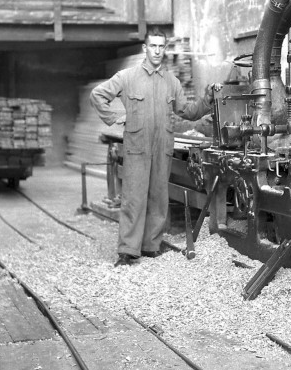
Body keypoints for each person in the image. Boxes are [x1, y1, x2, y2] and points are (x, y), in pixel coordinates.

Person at [90, 28, 220, 266]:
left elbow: (188, 112)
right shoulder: (127, 77)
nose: (157, 51)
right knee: (133, 197)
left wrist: (207, 99)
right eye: (153, 46)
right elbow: (97, 95)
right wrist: (117, 115)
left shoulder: (171, 82)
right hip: (137, 147)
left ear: (165, 49)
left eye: (162, 47)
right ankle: (128, 250)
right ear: (145, 48)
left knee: (158, 197)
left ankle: (151, 246)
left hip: (162, 147)